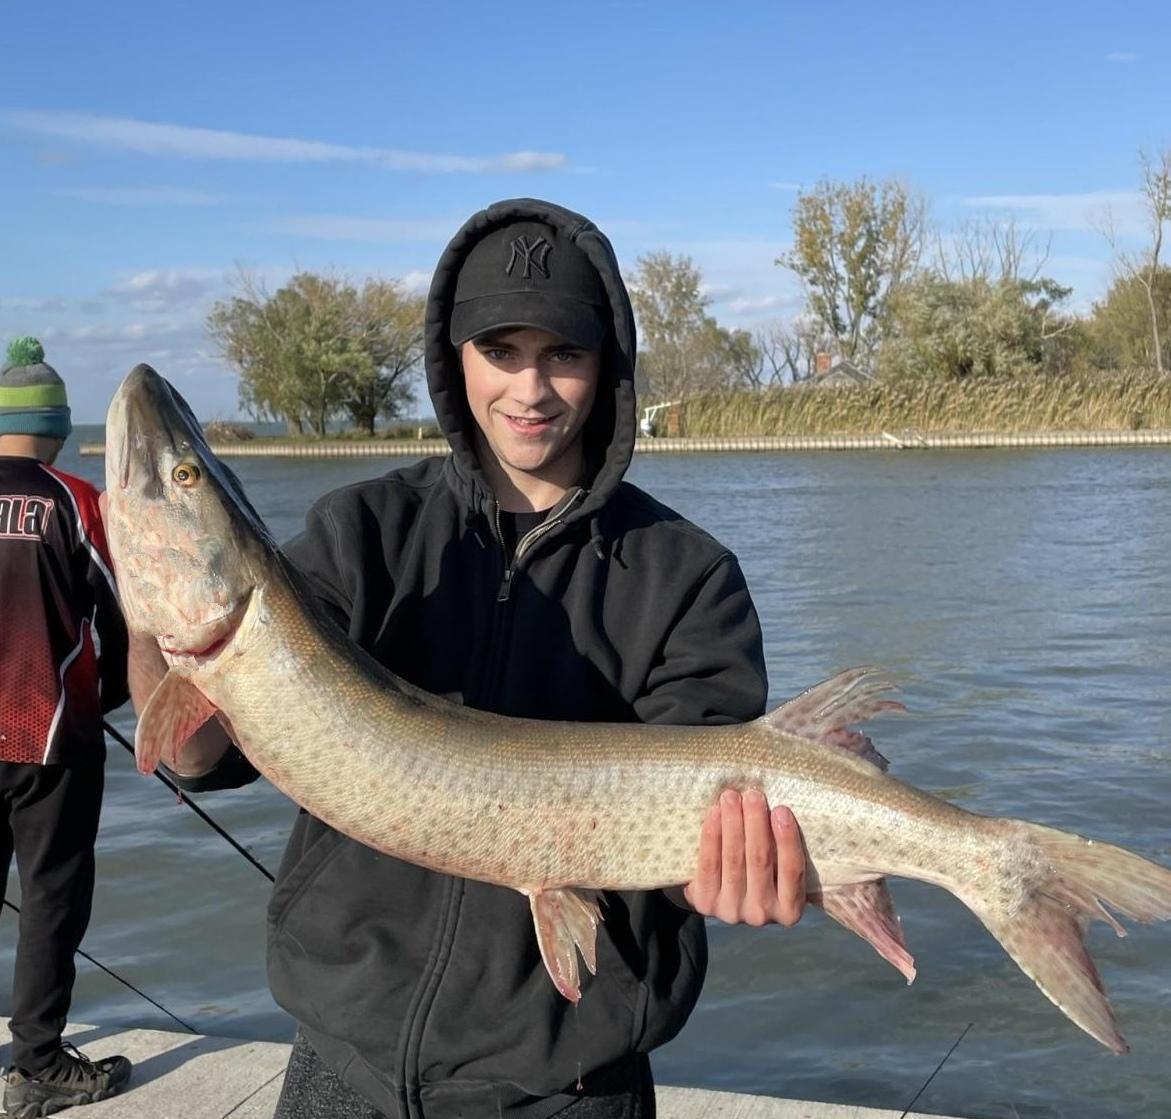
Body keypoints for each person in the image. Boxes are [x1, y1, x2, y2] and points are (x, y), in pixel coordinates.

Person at [152, 199, 807, 1118]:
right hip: (347, 1065)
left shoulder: (688, 576)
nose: (530, 390)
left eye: (563, 355)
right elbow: (195, 754)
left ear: (605, 363)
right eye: (501, 352)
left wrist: (738, 868)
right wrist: (149, 608)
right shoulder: (362, 531)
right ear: (453, 359)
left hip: (569, 1082)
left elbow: (712, 811)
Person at [0, 339, 133, 1118]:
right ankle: (40, 1061)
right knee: (52, 897)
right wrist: (106, 699)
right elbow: (121, 622)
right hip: (49, 736)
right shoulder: (75, 501)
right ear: (55, 425)